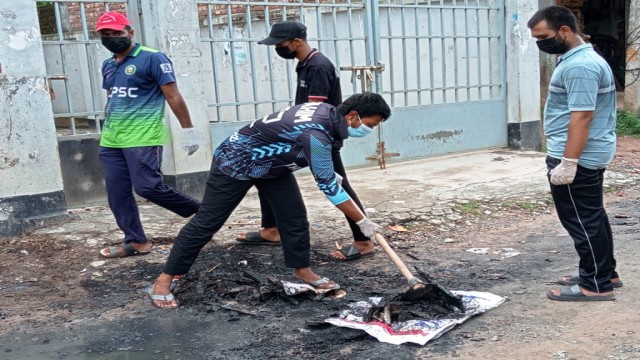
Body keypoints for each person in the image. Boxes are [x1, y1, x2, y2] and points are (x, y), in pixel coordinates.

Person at [147, 93, 391, 308]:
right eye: (371, 124)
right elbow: (327, 186)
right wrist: (362, 221)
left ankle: (303, 270)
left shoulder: (326, 112)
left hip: (270, 166)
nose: (369, 129)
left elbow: (316, 158)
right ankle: (165, 279)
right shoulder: (317, 132)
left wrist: (328, 172)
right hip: (236, 162)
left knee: (293, 216)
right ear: (353, 115)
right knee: (207, 222)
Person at [238, 20, 375, 262]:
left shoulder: (318, 67)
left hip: (319, 138)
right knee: (268, 171)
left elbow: (314, 112)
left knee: (339, 186)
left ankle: (363, 241)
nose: (278, 49)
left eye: (280, 45)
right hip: (304, 135)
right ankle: (271, 230)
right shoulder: (306, 63)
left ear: (297, 42)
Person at [527, 6, 621, 301]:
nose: (541, 43)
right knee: (592, 215)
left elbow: (581, 117)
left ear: (564, 30)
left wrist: (568, 163)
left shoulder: (579, 66)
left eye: (543, 36)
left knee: (582, 220)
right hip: (589, 152)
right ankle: (606, 272)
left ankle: (595, 284)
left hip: (579, 155)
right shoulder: (579, 59)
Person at [95, 12, 203, 258]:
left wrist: (189, 131)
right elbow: (114, 97)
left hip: (143, 137)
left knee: (147, 187)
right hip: (112, 139)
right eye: (106, 34)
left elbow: (173, 95)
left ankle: (204, 212)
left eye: (117, 33)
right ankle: (136, 241)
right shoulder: (108, 64)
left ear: (130, 32)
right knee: (117, 193)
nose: (112, 38)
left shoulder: (153, 58)